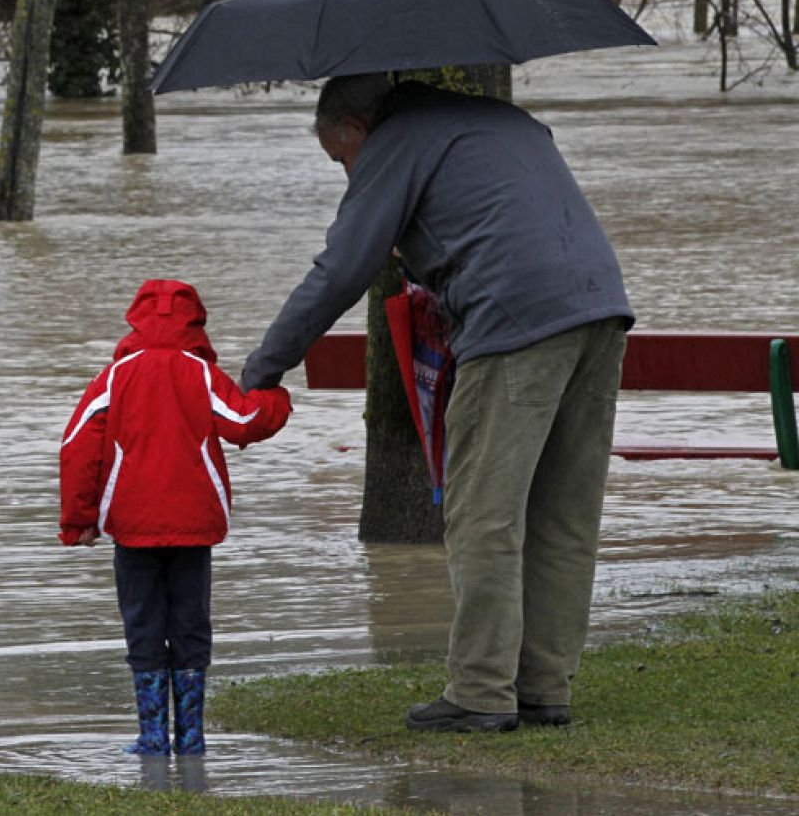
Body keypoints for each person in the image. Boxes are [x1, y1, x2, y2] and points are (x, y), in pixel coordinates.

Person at [241, 73, 633, 733]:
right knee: (564, 515)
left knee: (483, 515)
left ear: (358, 127)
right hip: (601, 309)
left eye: (341, 159)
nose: (349, 175)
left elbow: (340, 270)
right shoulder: (500, 119)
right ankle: (544, 687)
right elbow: (497, 221)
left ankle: (481, 691)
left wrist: (263, 368)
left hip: (515, 325)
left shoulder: (396, 141)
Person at [60, 279, 293, 755]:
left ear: (135, 321)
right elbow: (245, 422)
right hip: (194, 525)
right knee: (191, 625)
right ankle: (191, 737)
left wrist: (78, 520)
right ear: (195, 323)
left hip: (131, 525)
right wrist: (277, 398)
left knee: (142, 624)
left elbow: (77, 448)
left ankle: (151, 739)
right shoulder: (202, 374)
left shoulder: (113, 377)